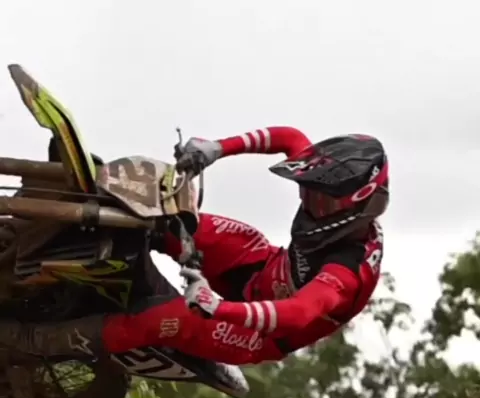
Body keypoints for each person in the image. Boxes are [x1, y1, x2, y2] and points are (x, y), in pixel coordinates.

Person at [0, 127, 389, 366]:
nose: (308, 203)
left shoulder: (347, 270)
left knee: (165, 318)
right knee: (171, 213)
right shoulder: (331, 202)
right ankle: (68, 217)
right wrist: (216, 148)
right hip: (262, 264)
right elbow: (289, 138)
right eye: (307, 190)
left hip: (257, 333)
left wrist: (218, 307)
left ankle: (32, 343)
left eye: (322, 201)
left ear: (359, 206)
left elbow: (298, 313)